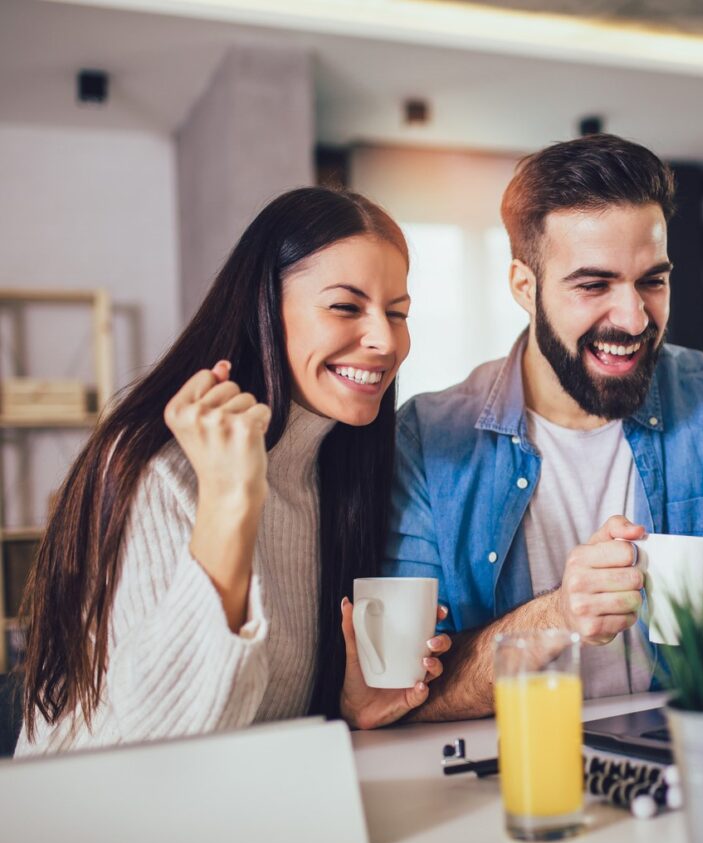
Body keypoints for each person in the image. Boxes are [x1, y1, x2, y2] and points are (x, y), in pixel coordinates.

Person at [384, 134, 703, 719]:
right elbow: (406, 692)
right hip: (510, 776)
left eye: (652, 281)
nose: (634, 317)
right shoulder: (426, 438)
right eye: (594, 285)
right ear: (524, 287)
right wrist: (557, 616)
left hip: (686, 759)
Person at [17, 187, 451, 755]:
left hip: (236, 813)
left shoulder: (335, 472)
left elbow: (261, 723)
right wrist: (230, 499)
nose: (384, 339)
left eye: (397, 313)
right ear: (264, 308)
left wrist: (345, 708)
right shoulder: (160, 466)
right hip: (89, 824)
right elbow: (159, 749)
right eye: (346, 306)